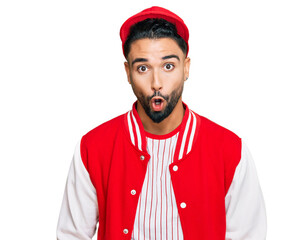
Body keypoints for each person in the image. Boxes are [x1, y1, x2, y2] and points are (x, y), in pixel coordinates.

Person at [56, 6, 266, 240]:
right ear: (128, 73)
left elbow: (249, 235)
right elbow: (71, 235)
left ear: (186, 68)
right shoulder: (93, 148)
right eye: (143, 68)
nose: (156, 82)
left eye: (168, 66)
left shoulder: (229, 150)